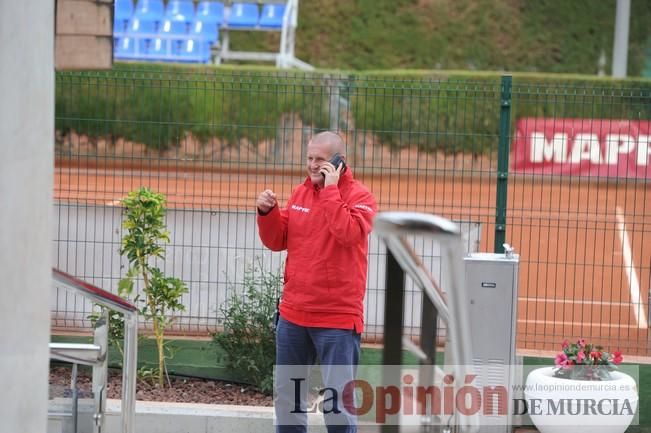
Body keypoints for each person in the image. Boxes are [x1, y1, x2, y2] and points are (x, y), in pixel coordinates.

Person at [256, 131, 377, 433]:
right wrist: (267, 212)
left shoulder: (361, 197)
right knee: (289, 401)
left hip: (336, 319)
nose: (312, 165)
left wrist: (331, 191)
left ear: (339, 162)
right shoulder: (300, 194)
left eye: (320, 160)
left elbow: (347, 232)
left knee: (337, 408)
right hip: (294, 315)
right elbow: (278, 239)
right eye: (309, 158)